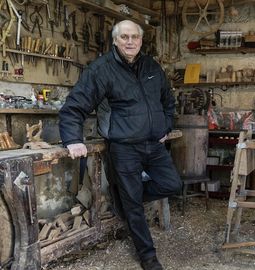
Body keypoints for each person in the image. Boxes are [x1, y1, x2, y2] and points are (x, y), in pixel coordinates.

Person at [58, 20, 182, 270]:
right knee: (134, 205)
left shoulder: (151, 66)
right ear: (115, 40)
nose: (130, 41)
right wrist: (73, 139)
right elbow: (74, 106)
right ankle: (148, 256)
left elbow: (168, 101)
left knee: (172, 184)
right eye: (124, 37)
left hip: (154, 144)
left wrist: (165, 127)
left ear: (140, 40)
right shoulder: (101, 69)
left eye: (134, 37)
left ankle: (125, 202)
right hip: (124, 146)